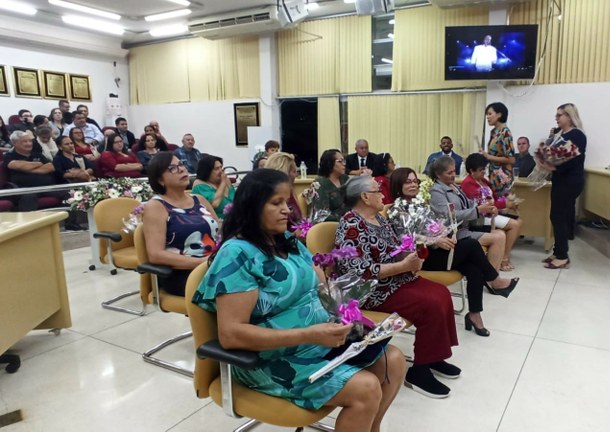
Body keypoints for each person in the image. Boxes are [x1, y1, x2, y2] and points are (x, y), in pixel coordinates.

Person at [193, 169, 405, 430]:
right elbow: (231, 335)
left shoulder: (287, 242)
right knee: (366, 389)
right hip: (269, 359)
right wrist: (310, 335)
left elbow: (321, 288)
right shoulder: (237, 255)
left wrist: (350, 317)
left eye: (286, 201)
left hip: (316, 342)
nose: (286, 210)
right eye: (276, 203)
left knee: (393, 362)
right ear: (252, 206)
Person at [336, 175, 460, 399]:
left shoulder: (378, 219)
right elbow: (358, 271)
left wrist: (411, 256)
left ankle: (432, 357)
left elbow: (393, 250)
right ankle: (419, 373)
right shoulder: (351, 225)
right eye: (378, 191)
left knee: (441, 293)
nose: (383, 194)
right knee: (429, 304)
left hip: (396, 280)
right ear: (365, 197)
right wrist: (402, 266)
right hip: (372, 291)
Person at [390, 168, 519, 337]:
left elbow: (435, 225)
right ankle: (494, 281)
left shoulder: (420, 204)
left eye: (415, 181)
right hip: (420, 258)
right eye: (408, 182)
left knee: (474, 269)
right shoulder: (396, 210)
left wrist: (445, 232)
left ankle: (475, 315)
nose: (413, 184)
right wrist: (434, 240)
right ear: (398, 186)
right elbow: (404, 241)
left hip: (438, 250)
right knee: (472, 245)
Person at [143, 152, 219, 296]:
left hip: (213, 264)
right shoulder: (157, 207)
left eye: (181, 165)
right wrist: (203, 262)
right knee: (238, 287)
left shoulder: (199, 200)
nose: (182, 169)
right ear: (160, 180)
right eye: (172, 168)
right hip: (182, 272)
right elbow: (155, 255)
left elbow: (220, 231)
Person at [428, 155, 508, 271]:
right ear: (438, 174)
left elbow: (469, 203)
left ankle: (492, 275)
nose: (453, 175)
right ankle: (492, 278)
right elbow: (448, 215)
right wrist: (477, 211)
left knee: (501, 234)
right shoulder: (436, 190)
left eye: (454, 171)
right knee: (498, 238)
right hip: (455, 233)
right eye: (449, 173)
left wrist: (487, 208)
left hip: (467, 227)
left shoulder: (454, 186)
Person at [540, 103, 588, 269]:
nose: (556, 117)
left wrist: (552, 166)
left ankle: (562, 256)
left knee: (559, 216)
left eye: (560, 115)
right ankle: (558, 250)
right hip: (560, 180)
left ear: (569, 116)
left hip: (570, 181)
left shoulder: (577, 135)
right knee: (556, 215)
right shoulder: (561, 134)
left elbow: (570, 160)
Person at [461, 153, 523, 271]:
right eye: (480, 170)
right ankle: (504, 258)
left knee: (519, 221)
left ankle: (503, 255)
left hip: (492, 213)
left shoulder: (483, 180)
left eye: (484, 168)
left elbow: (495, 197)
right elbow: (483, 204)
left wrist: (508, 201)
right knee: (514, 225)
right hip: (480, 217)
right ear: (471, 170)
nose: (484, 172)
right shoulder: (468, 183)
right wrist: (505, 204)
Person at [4, 131, 67, 213]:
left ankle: (70, 224)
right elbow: (17, 166)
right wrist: (38, 164)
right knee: (28, 197)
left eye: (30, 141)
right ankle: (28, 225)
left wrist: (28, 168)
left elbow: (51, 167)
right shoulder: (9, 156)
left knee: (68, 194)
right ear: (15, 143)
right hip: (25, 189)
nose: (29, 144)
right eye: (25, 141)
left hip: (45, 187)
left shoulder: (38, 155)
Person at [483, 102, 516, 196]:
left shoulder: (505, 132)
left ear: (499, 114)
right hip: (493, 175)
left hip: (503, 177)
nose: (487, 117)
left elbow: (511, 159)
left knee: (502, 206)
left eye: (490, 114)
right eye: (487, 115)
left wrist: (489, 157)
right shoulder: (494, 132)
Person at [264, 151, 304, 227]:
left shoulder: (291, 191)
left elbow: (300, 220)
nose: (296, 175)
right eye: (294, 171)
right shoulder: (266, 194)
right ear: (285, 172)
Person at [316, 149, 350, 221]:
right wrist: (345, 220)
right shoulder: (320, 184)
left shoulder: (345, 179)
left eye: (344, 161)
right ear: (330, 163)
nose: (344, 164)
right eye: (340, 161)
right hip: (331, 224)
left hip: (350, 221)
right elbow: (321, 215)